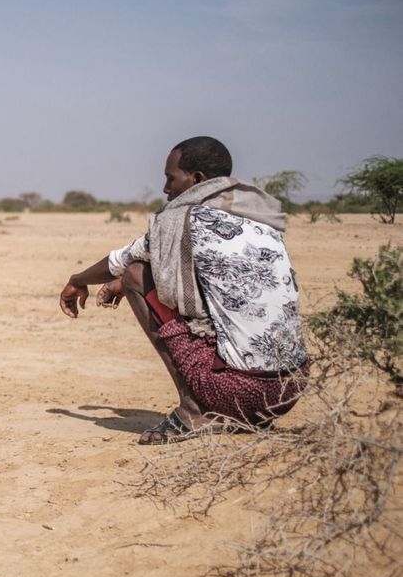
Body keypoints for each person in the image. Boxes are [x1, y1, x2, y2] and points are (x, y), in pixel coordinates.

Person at [59, 136, 309, 444]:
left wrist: (78, 279)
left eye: (170, 178)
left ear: (197, 179)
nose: (166, 189)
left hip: (240, 390)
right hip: (289, 390)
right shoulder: (259, 218)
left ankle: (194, 411)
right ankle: (242, 417)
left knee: (135, 274)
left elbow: (122, 260)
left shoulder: (183, 221)